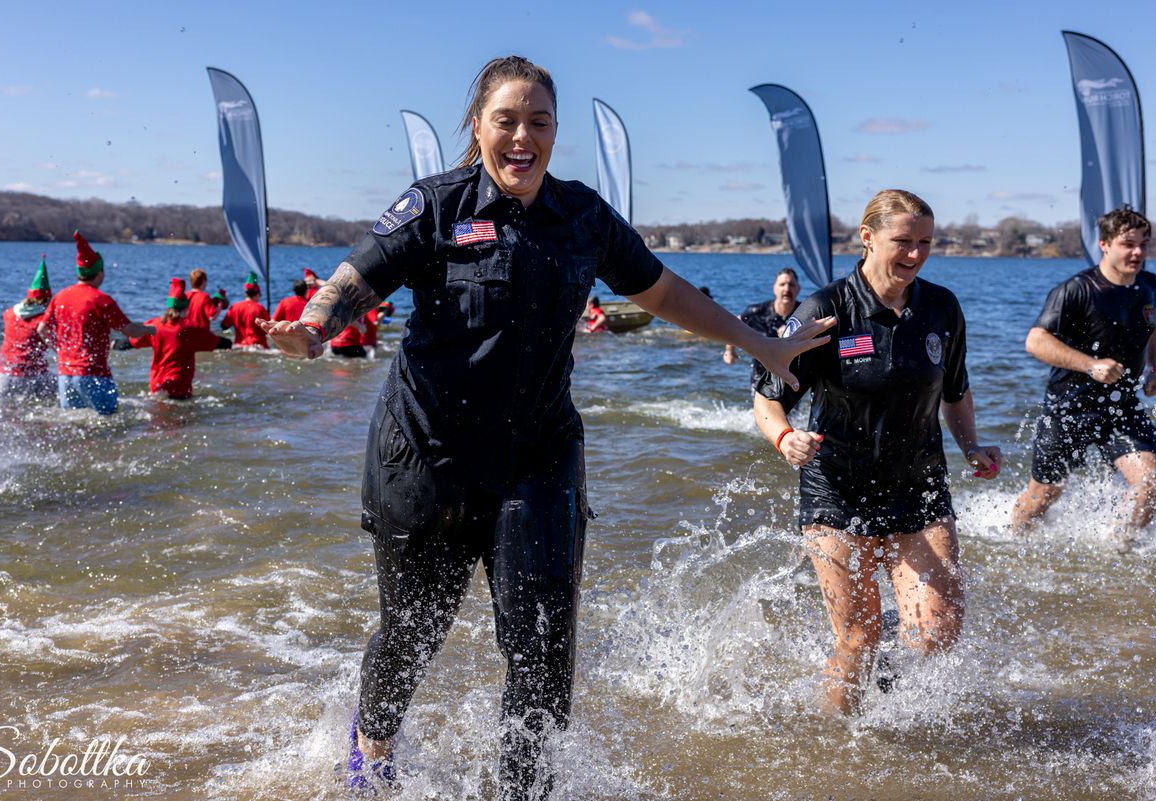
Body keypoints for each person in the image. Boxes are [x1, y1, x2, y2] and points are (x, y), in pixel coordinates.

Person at [259, 55, 832, 799]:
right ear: (478, 127)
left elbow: (664, 290)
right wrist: (312, 324)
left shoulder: (582, 216)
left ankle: (522, 788)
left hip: (539, 455)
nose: (522, 136)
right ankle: (372, 739)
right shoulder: (435, 206)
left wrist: (763, 343)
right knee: (411, 634)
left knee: (542, 649)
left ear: (555, 132)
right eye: (507, 120)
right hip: (426, 456)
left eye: (539, 122)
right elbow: (357, 276)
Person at [752, 189, 1001, 716]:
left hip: (919, 483)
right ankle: (835, 753)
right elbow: (767, 397)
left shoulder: (941, 307)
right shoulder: (823, 310)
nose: (915, 254)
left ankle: (889, 678)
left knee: (938, 632)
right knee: (858, 639)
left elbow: (954, 390)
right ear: (867, 238)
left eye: (925, 243)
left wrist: (971, 444)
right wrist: (783, 437)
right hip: (837, 487)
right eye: (903, 241)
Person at [1011, 207, 1156, 544]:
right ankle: (1012, 538)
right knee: (1043, 498)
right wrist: (1091, 365)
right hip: (1069, 409)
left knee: (1151, 484)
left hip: (1122, 407)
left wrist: (1155, 367)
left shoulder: (1150, 285)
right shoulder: (1077, 289)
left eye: (1144, 245)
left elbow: (1155, 326)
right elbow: (1035, 341)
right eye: (1128, 244)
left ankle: (1120, 550)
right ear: (1104, 244)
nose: (1138, 252)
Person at [38, 231, 153, 415]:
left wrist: (59, 349)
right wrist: (152, 329)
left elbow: (41, 329)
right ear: (99, 272)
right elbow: (130, 331)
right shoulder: (101, 300)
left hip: (65, 375)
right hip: (94, 375)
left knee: (74, 425)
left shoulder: (60, 297)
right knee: (110, 424)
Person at [126, 278, 232, 399]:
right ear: (186, 308)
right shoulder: (190, 328)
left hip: (157, 384)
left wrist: (120, 343)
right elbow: (211, 341)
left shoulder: (155, 325)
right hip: (179, 385)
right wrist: (227, 343)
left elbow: (134, 340)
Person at [724, 268, 802, 400]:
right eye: (782, 284)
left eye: (791, 285)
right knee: (761, 416)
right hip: (761, 374)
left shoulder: (804, 314)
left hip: (791, 374)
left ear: (798, 289)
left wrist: (792, 336)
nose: (787, 289)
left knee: (790, 416)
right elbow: (734, 326)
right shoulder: (757, 312)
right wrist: (730, 351)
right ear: (774, 288)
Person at [0, 256, 56, 399]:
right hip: (30, 378)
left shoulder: (9, 313)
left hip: (2, 377)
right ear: (47, 299)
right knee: (66, 389)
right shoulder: (43, 319)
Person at [220, 272, 269, 348]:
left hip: (239, 345)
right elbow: (268, 330)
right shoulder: (260, 308)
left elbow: (224, 326)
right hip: (257, 345)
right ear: (257, 294)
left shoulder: (234, 307)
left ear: (246, 294)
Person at [329, 301, 394, 358]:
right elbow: (376, 322)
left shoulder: (348, 305)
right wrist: (384, 310)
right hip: (352, 343)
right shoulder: (371, 306)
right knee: (363, 366)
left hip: (334, 343)